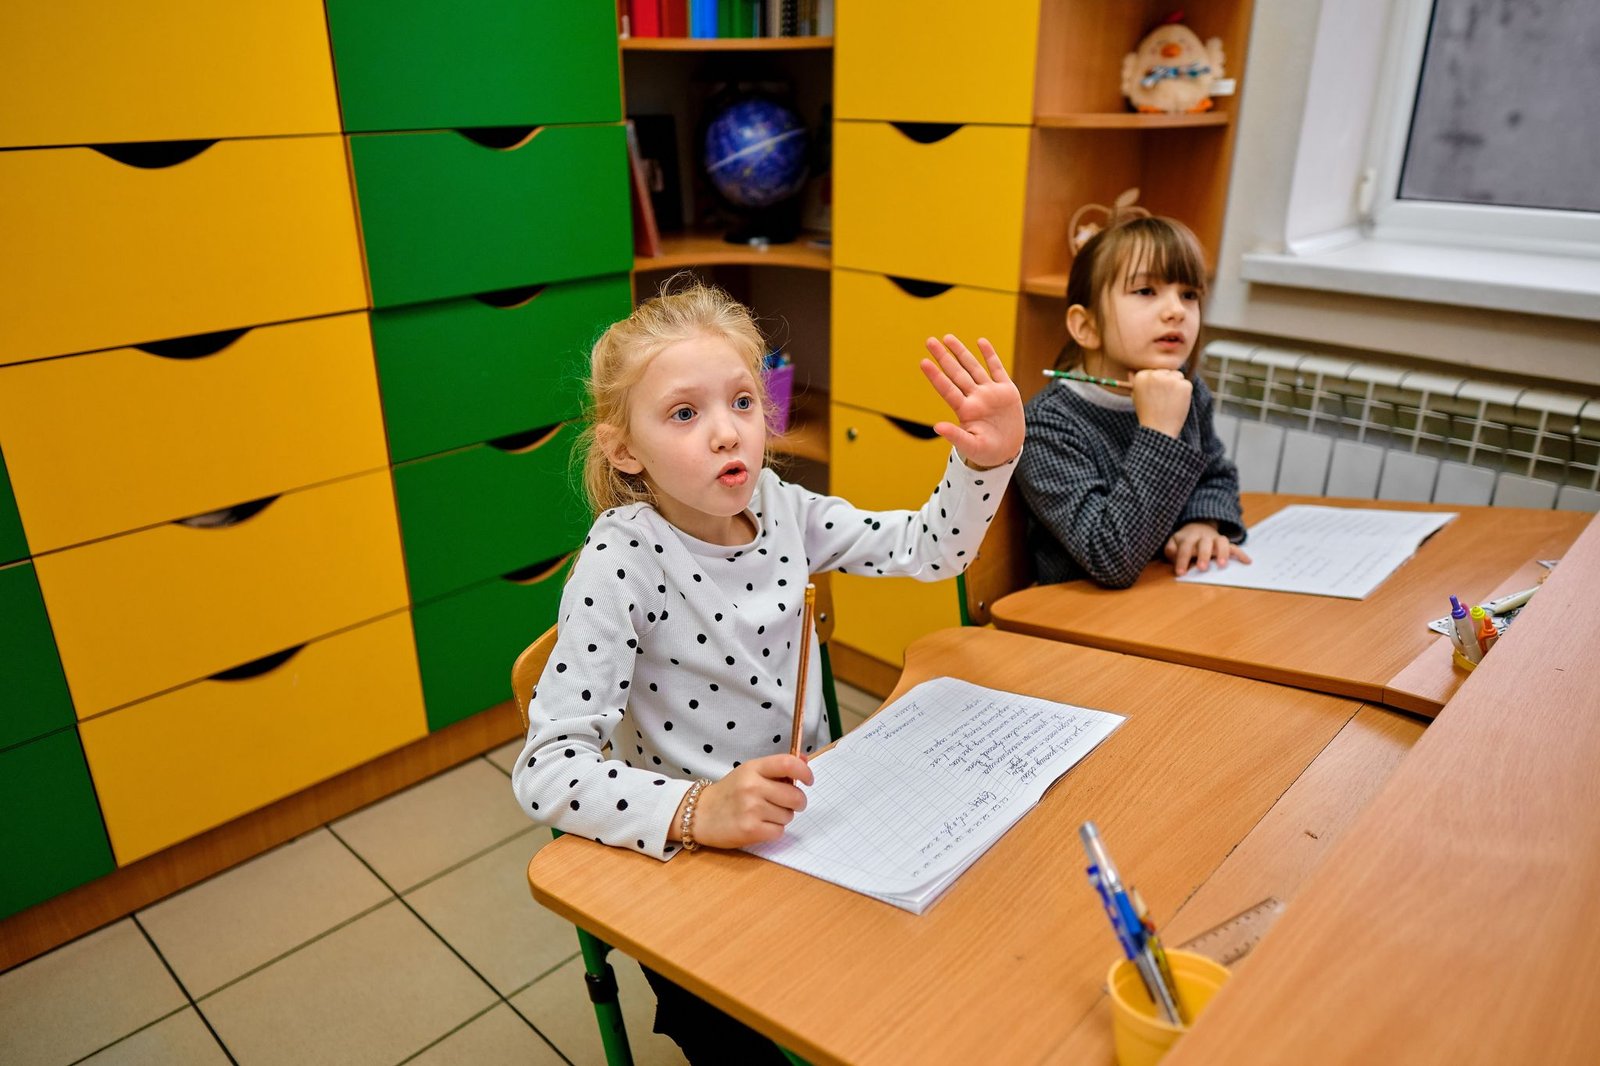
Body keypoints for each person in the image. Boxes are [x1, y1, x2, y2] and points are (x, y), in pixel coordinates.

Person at [510, 279, 1023, 1062]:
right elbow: (548, 770)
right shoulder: (620, 561)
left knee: (922, 988)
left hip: (808, 829)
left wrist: (985, 463)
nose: (728, 433)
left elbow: (931, 550)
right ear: (624, 450)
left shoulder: (784, 507)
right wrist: (699, 811)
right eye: (685, 413)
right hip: (690, 860)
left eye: (743, 402)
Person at [1016, 215, 1248, 589]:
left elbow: (1215, 475)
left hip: (1164, 594)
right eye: (1145, 291)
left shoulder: (1188, 390)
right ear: (1087, 327)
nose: (1176, 310)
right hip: (1080, 612)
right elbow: (1110, 558)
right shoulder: (1047, 426)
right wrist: (1158, 432)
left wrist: (1202, 523)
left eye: (1189, 294)